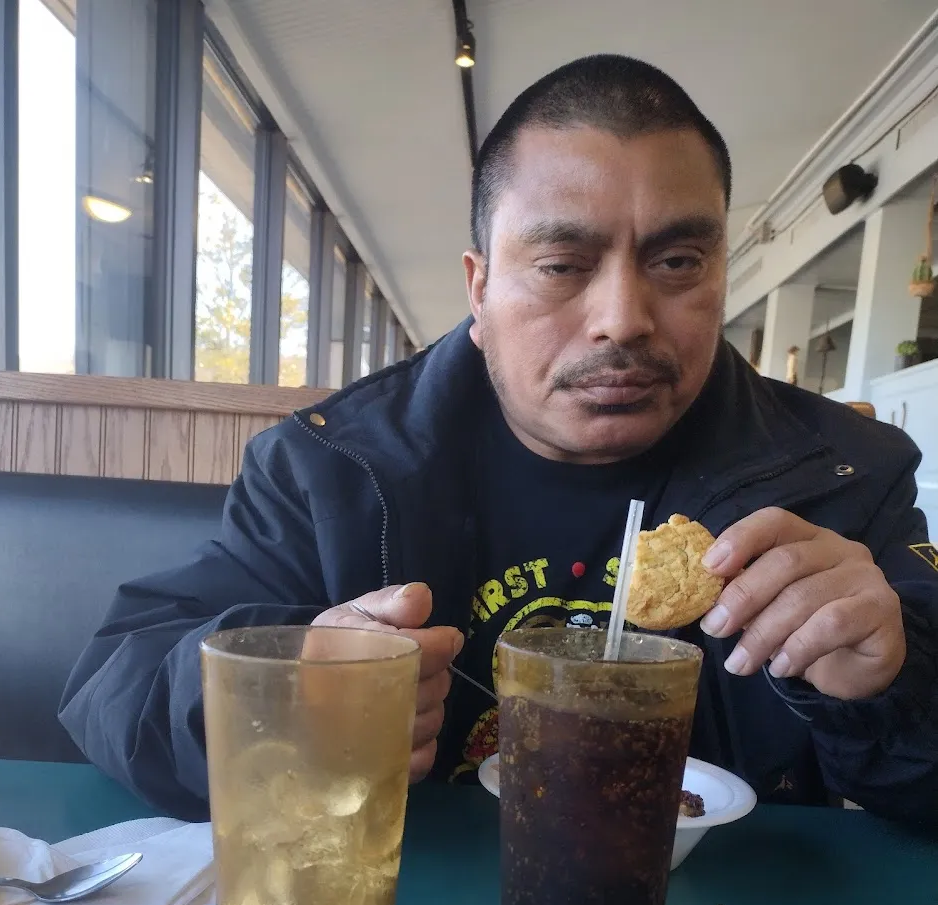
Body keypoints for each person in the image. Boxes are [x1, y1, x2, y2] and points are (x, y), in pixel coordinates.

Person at [60, 54, 938, 831]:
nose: (623, 319)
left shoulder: (842, 478)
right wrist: (278, 691)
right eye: (561, 266)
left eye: (677, 262)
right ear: (479, 289)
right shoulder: (331, 469)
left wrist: (894, 680)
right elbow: (112, 686)